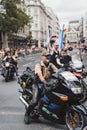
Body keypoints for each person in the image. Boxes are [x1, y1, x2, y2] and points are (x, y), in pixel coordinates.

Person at [24, 49, 58, 124]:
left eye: (49, 56)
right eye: (46, 56)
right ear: (42, 57)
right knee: (35, 101)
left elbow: (57, 71)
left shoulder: (50, 65)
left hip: (48, 84)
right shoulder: (38, 65)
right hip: (37, 84)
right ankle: (27, 114)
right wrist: (44, 81)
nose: (48, 57)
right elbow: (39, 74)